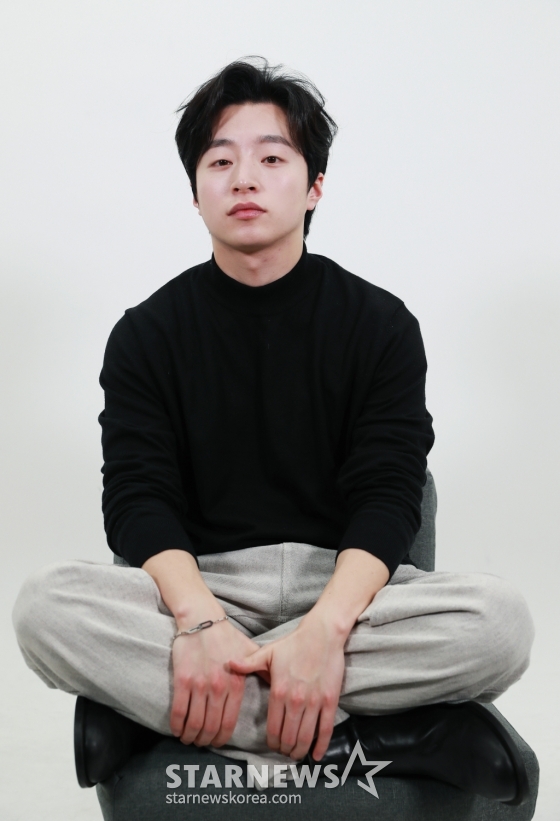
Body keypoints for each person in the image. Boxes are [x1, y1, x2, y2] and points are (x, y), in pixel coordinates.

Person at [12, 56, 535, 804]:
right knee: (43, 607)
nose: (244, 179)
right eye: (220, 161)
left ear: (315, 185)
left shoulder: (381, 325)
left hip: (348, 592)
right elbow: (137, 499)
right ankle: (388, 734)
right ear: (195, 191)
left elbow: (389, 494)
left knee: (500, 624)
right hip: (207, 589)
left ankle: (164, 714)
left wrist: (324, 631)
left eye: (271, 158)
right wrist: (199, 625)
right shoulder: (145, 336)